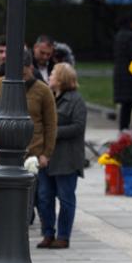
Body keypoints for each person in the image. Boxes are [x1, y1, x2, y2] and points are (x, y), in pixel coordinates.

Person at [38, 64, 85, 249]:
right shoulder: (48, 97)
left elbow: (78, 126)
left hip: (67, 158)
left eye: (53, 74)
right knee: (44, 197)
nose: (49, 77)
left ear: (62, 78)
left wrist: (52, 132)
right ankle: (48, 232)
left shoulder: (75, 100)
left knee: (65, 198)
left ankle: (63, 235)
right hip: (47, 156)